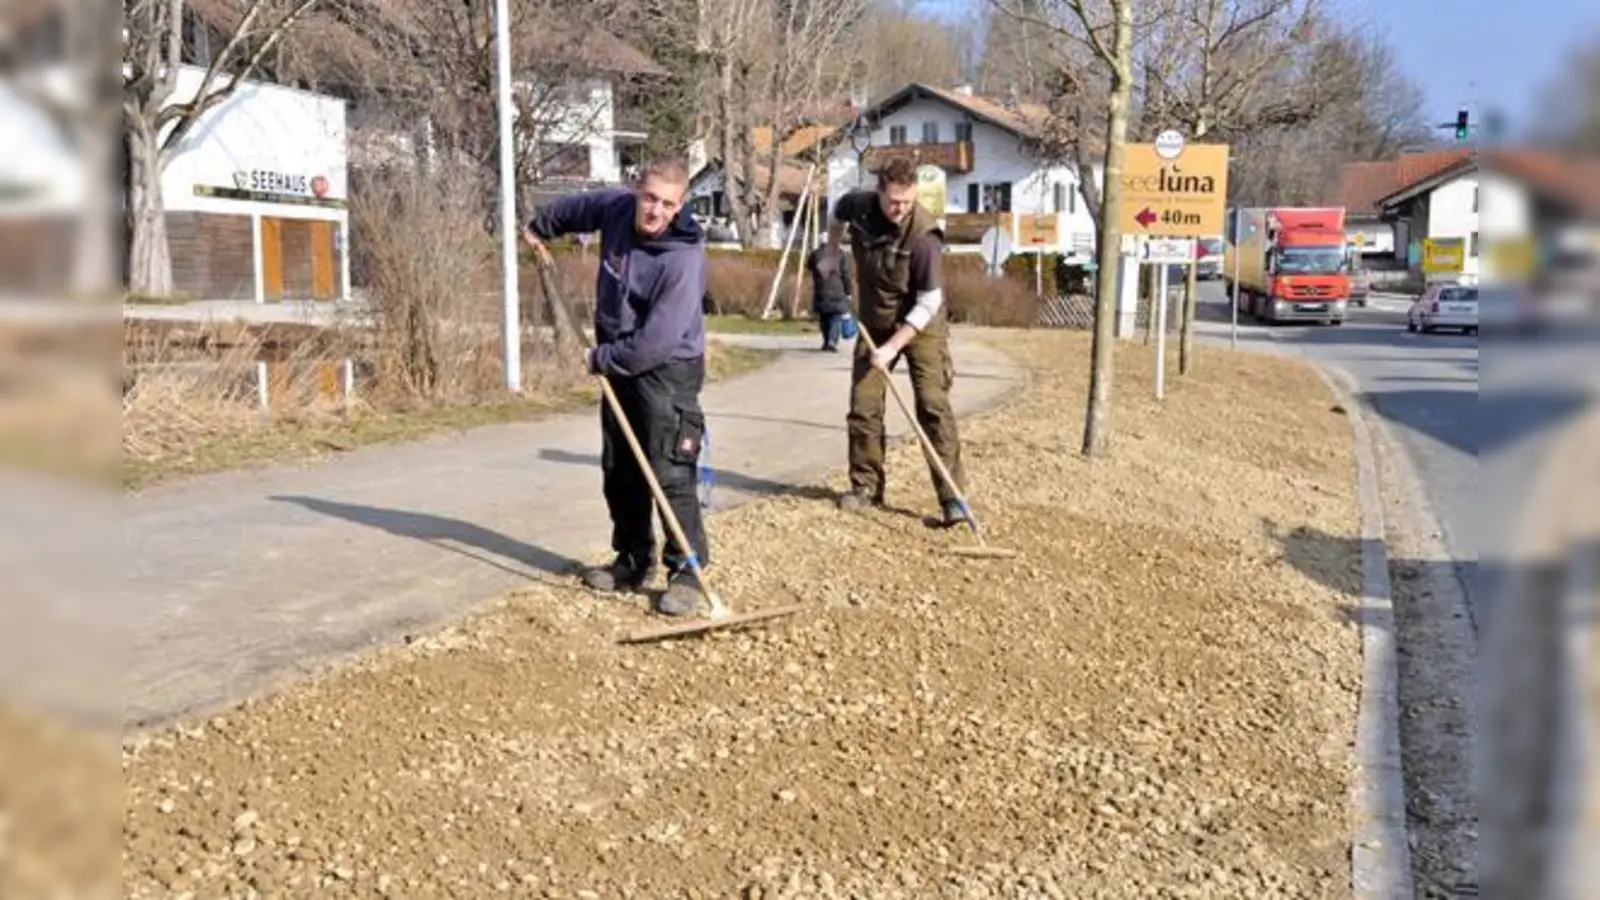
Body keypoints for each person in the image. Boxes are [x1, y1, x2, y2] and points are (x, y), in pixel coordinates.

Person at [521, 156, 712, 617]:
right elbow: (575, 209)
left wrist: (599, 358)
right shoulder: (615, 208)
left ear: (680, 204)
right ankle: (631, 559)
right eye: (648, 198)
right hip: (618, 359)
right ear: (636, 192)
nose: (654, 211)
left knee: (669, 470)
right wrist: (539, 227)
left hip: (667, 368)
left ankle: (687, 572)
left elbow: (656, 341)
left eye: (667, 204)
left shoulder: (683, 257)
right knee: (620, 467)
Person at [826, 155, 968, 527]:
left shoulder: (923, 236)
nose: (900, 209)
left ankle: (952, 497)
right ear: (879, 193)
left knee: (932, 405)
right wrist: (830, 250)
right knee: (864, 405)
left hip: (922, 324)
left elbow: (929, 301)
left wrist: (892, 348)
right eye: (893, 202)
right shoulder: (858, 205)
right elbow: (836, 214)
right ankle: (866, 487)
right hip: (876, 320)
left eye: (907, 202)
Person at [804, 239, 854, 351]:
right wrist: (848, 291)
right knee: (835, 318)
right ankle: (832, 341)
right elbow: (846, 275)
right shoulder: (840, 254)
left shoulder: (815, 254)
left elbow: (809, 266)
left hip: (820, 290)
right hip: (837, 290)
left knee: (824, 318)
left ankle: (826, 341)